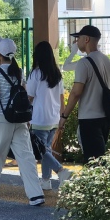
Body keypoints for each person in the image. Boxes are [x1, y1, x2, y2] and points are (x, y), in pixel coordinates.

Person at [0, 38, 45, 206]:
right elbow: (24, 95)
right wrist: (27, 119)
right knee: (26, 157)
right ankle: (36, 194)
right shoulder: (19, 71)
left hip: (2, 119)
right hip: (20, 120)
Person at [59, 25, 110, 164]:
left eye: (78, 38)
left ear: (86, 39)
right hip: (106, 117)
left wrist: (64, 116)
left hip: (89, 118)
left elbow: (76, 93)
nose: (76, 41)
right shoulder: (108, 61)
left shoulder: (84, 63)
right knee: (100, 158)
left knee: (92, 161)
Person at [26, 41, 72, 190]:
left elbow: (29, 97)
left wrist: (25, 115)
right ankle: (46, 181)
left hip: (40, 118)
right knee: (46, 149)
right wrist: (62, 118)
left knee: (42, 150)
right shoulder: (57, 74)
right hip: (54, 118)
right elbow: (61, 98)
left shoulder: (36, 74)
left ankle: (61, 170)